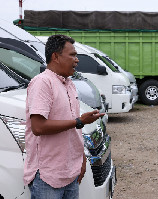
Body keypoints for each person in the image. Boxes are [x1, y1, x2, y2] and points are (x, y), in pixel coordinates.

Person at [23, 34, 103, 198]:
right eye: (72, 55)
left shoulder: (69, 84)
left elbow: (73, 127)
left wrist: (81, 158)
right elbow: (38, 127)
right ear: (55, 57)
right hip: (47, 176)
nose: (77, 60)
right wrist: (80, 121)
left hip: (70, 172)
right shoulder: (42, 83)